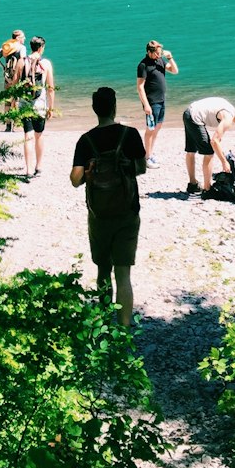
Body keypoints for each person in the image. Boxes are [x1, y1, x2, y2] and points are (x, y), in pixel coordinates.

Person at [70, 87, 146, 326]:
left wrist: (90, 173)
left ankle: (103, 323)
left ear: (94, 110)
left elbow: (74, 179)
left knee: (103, 270)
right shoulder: (130, 134)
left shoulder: (86, 141)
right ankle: (123, 331)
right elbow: (141, 168)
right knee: (123, 274)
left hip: (99, 214)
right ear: (114, 107)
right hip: (127, 210)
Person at [182, 97, 235, 194]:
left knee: (191, 151)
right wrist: (224, 162)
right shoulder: (229, 118)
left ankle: (192, 185)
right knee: (209, 153)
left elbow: (217, 139)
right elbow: (214, 141)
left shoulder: (231, 111)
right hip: (195, 117)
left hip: (189, 112)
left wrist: (219, 147)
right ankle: (207, 189)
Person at [13, 36, 55, 178]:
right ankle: (39, 166)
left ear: (31, 47)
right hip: (39, 104)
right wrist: (51, 107)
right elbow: (50, 88)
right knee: (39, 135)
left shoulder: (21, 61)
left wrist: (13, 102)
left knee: (28, 136)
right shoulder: (46, 64)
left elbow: (14, 84)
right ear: (41, 47)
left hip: (24, 103)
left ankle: (28, 170)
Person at [136, 39, 178, 168]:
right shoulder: (143, 65)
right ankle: (147, 158)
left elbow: (175, 71)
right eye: (156, 53)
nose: (158, 55)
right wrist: (146, 105)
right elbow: (140, 87)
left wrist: (170, 58)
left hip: (161, 100)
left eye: (160, 53)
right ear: (149, 52)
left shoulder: (159, 60)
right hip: (152, 102)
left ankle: (150, 153)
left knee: (157, 128)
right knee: (150, 130)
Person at [0, 28, 27, 131]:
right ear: (18, 38)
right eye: (23, 37)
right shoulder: (21, 48)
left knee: (7, 100)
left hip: (7, 77)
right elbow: (22, 62)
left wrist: (2, 66)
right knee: (16, 99)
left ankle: (7, 126)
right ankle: (14, 125)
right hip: (17, 77)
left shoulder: (7, 47)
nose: (24, 38)